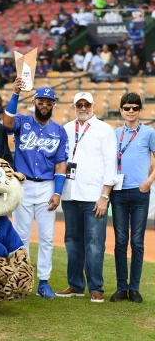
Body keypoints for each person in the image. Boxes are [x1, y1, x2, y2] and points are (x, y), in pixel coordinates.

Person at [3, 80, 68, 299]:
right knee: (21, 235)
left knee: (47, 237)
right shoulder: (23, 121)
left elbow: (61, 164)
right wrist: (14, 94)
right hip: (23, 184)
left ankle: (44, 282)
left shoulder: (59, 131)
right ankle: (22, 280)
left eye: (48, 101)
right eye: (41, 100)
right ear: (35, 101)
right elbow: (7, 124)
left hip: (48, 185)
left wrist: (58, 191)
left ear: (53, 104)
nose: (44, 104)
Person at [56, 92, 117, 303]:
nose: (83, 107)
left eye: (87, 104)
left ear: (93, 105)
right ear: (74, 106)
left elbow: (111, 164)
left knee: (94, 242)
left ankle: (96, 287)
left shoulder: (104, 129)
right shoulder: (65, 129)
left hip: (94, 196)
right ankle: (75, 285)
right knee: (72, 241)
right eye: (79, 104)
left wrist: (104, 196)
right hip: (70, 194)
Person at [110, 92, 155, 304]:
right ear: (121, 110)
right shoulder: (115, 134)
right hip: (118, 193)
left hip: (140, 192)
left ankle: (134, 288)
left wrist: (149, 181)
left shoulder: (148, 133)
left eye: (134, 108)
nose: (130, 111)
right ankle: (121, 287)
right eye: (126, 107)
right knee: (120, 241)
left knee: (137, 242)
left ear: (140, 110)